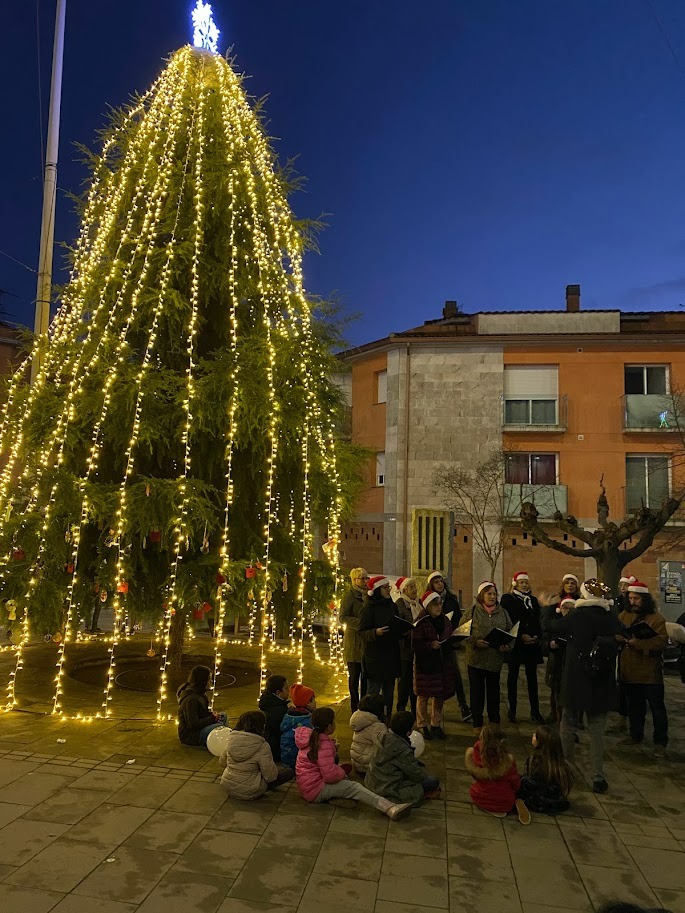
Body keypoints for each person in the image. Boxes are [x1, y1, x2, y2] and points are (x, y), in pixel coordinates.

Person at [544, 579, 622, 794]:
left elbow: (551, 625)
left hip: (576, 678)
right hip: (601, 679)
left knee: (568, 724)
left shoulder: (578, 616)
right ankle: (598, 776)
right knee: (597, 730)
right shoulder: (610, 618)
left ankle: (568, 769)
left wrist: (547, 607)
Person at [294, 706, 413, 820]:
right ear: (329, 726)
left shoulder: (311, 737)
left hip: (307, 784)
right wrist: (340, 771)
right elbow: (329, 776)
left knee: (344, 781)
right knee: (354, 787)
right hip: (315, 789)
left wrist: (333, 751)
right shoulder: (323, 744)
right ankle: (390, 808)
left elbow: (320, 762)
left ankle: (336, 796)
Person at [617, 581, 669, 757]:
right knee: (634, 706)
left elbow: (661, 642)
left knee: (657, 708)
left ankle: (660, 741)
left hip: (649, 672)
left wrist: (638, 643)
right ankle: (635, 734)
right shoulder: (624, 615)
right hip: (629, 669)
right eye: (630, 598)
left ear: (644, 599)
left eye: (637, 598)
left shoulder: (656, 618)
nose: (633, 601)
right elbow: (616, 631)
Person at [462, 582, 514, 732]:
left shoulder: (503, 612)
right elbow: (461, 632)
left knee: (494, 694)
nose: (492, 596)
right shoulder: (472, 611)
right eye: (489, 593)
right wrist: (474, 642)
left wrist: (507, 645)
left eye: (494, 594)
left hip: (494, 660)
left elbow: (511, 632)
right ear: (481, 595)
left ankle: (494, 723)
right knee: (477, 694)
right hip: (476, 660)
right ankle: (477, 724)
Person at [423, 571, 472, 721]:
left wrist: (456, 633)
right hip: (433, 644)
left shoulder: (451, 600)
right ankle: (426, 713)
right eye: (436, 582)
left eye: (441, 581)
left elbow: (458, 618)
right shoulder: (426, 600)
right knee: (430, 678)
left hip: (448, 642)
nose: (440, 584)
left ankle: (463, 706)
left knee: (455, 674)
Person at [365, 711, 441, 803]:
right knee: (433, 781)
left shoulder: (381, 736)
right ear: (408, 732)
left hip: (371, 783)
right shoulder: (402, 749)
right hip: (388, 790)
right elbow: (417, 774)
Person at [412, 590, 457, 740]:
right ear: (428, 606)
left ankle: (436, 725)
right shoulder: (421, 622)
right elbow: (416, 644)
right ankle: (422, 724)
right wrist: (430, 645)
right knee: (423, 696)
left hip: (441, 664)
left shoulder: (445, 620)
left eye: (440, 604)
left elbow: (449, 636)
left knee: (439, 696)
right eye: (435, 605)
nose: (439, 607)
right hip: (425, 664)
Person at [501, 571, 544, 724]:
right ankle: (512, 710)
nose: (525, 585)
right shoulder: (508, 599)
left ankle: (535, 711)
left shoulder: (532, 600)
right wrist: (521, 636)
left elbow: (538, 620)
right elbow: (508, 620)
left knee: (533, 679)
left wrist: (536, 636)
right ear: (515, 584)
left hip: (532, 645)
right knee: (512, 677)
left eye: (526, 582)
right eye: (521, 582)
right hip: (517, 645)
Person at [219, 710, 294, 798]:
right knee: (288, 772)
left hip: (228, 786)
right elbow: (270, 776)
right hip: (251, 790)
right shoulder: (261, 745)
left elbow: (222, 762)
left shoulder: (232, 740)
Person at [464, 724, 531, 824]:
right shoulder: (507, 760)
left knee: (476, 789)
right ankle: (515, 803)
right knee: (515, 784)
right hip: (504, 801)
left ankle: (489, 807)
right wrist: (516, 791)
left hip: (479, 796)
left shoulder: (476, 756)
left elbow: (476, 777)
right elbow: (515, 782)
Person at [358, 576, 402, 718]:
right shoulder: (368, 608)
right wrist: (375, 632)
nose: (389, 590)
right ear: (377, 590)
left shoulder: (392, 605)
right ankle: (369, 719)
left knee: (389, 693)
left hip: (390, 656)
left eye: (389, 587)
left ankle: (386, 717)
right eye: (385, 587)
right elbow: (362, 632)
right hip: (375, 658)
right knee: (373, 693)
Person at [519, 725, 573, 815]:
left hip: (540, 802)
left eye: (535, 735)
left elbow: (532, 784)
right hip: (558, 802)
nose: (533, 735)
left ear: (540, 742)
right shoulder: (562, 763)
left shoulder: (536, 760)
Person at [176, 665, 227, 748]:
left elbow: (201, 714)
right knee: (219, 727)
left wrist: (211, 715)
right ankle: (219, 742)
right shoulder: (191, 699)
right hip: (191, 735)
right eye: (209, 679)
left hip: (199, 729)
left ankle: (218, 739)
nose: (211, 681)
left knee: (223, 716)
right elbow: (193, 724)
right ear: (203, 681)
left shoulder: (201, 694)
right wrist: (212, 718)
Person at [542, 596, 575, 724]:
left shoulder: (576, 624)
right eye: (564, 608)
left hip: (571, 664)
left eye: (570, 608)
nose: (567, 610)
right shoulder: (554, 623)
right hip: (556, 662)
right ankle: (556, 717)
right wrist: (549, 644)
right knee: (555, 691)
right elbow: (544, 639)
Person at [340, 567, 369, 711]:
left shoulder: (369, 595)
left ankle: (363, 706)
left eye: (366, 578)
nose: (365, 581)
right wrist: (360, 624)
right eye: (362, 578)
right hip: (354, 643)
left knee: (366, 678)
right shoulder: (350, 596)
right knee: (354, 677)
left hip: (366, 642)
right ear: (354, 580)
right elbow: (343, 617)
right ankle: (354, 706)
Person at [394, 576, 421, 715]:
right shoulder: (399, 604)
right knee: (404, 681)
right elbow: (397, 625)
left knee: (415, 681)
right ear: (404, 589)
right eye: (411, 587)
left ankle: (415, 709)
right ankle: (401, 709)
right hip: (404, 649)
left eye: (415, 586)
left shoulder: (418, 603)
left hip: (417, 648)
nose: (414, 590)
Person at [350, 693, 388, 775]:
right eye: (384, 705)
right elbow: (385, 748)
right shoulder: (378, 727)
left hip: (356, 763)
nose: (386, 707)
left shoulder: (361, 719)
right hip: (367, 767)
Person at [280, 683, 316, 768]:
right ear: (308, 703)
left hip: (286, 759)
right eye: (314, 700)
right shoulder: (307, 721)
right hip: (297, 762)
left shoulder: (289, 716)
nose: (316, 702)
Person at [258, 674, 290, 762]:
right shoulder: (279, 711)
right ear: (278, 693)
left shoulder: (267, 703)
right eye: (286, 688)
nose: (289, 691)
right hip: (276, 751)